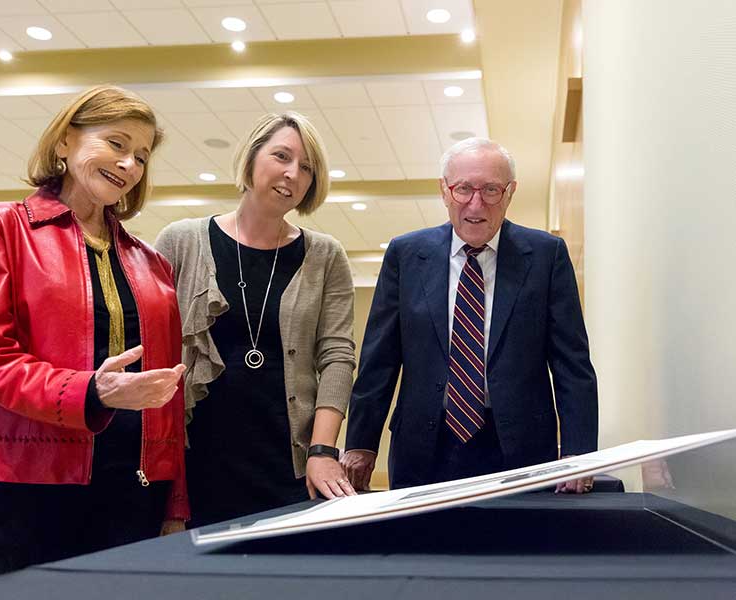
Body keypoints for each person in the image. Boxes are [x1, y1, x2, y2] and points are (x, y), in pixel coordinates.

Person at [0, 85, 188, 577]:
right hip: (29, 487)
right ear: (64, 142)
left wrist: (176, 500)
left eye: (141, 156)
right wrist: (92, 390)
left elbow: (168, 396)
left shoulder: (153, 263)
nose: (130, 165)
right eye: (116, 144)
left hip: (135, 491)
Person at [342, 137, 598, 494]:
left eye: (491, 189)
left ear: (510, 193)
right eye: (463, 189)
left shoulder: (545, 256)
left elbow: (572, 364)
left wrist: (579, 453)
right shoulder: (406, 254)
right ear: (444, 191)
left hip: (520, 449)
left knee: (517, 549)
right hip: (424, 445)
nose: (475, 204)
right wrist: (360, 441)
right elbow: (379, 359)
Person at [155, 112, 356, 527]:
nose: (291, 173)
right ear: (250, 159)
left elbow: (337, 356)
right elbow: (154, 347)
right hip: (196, 462)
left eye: (306, 168)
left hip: (287, 464)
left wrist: (322, 451)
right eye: (281, 156)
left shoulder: (325, 255)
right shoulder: (181, 241)